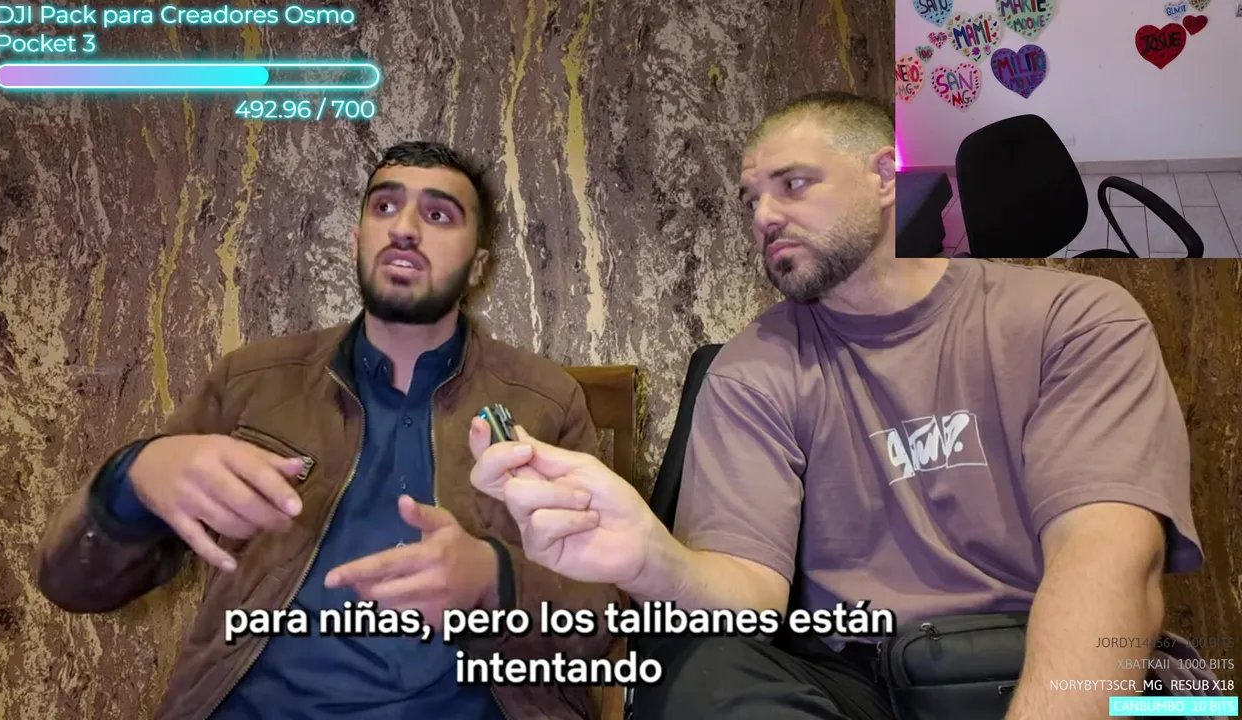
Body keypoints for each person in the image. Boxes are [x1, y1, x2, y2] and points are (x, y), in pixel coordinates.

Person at [467, 92, 1203, 720]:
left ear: (884, 175)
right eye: (751, 199)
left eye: (793, 183)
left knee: (1195, 701)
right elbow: (750, 599)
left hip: (1049, 657)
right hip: (856, 679)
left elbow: (1110, 559)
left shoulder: (1075, 318)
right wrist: (654, 561)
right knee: (696, 678)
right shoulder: (752, 369)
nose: (764, 215)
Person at [35, 141, 619, 719]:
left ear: (479, 266)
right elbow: (73, 585)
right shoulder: (252, 380)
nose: (404, 229)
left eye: (438, 215)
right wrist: (132, 479)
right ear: (357, 240)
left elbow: (602, 623)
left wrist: (497, 581)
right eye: (385, 207)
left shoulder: (544, 401)